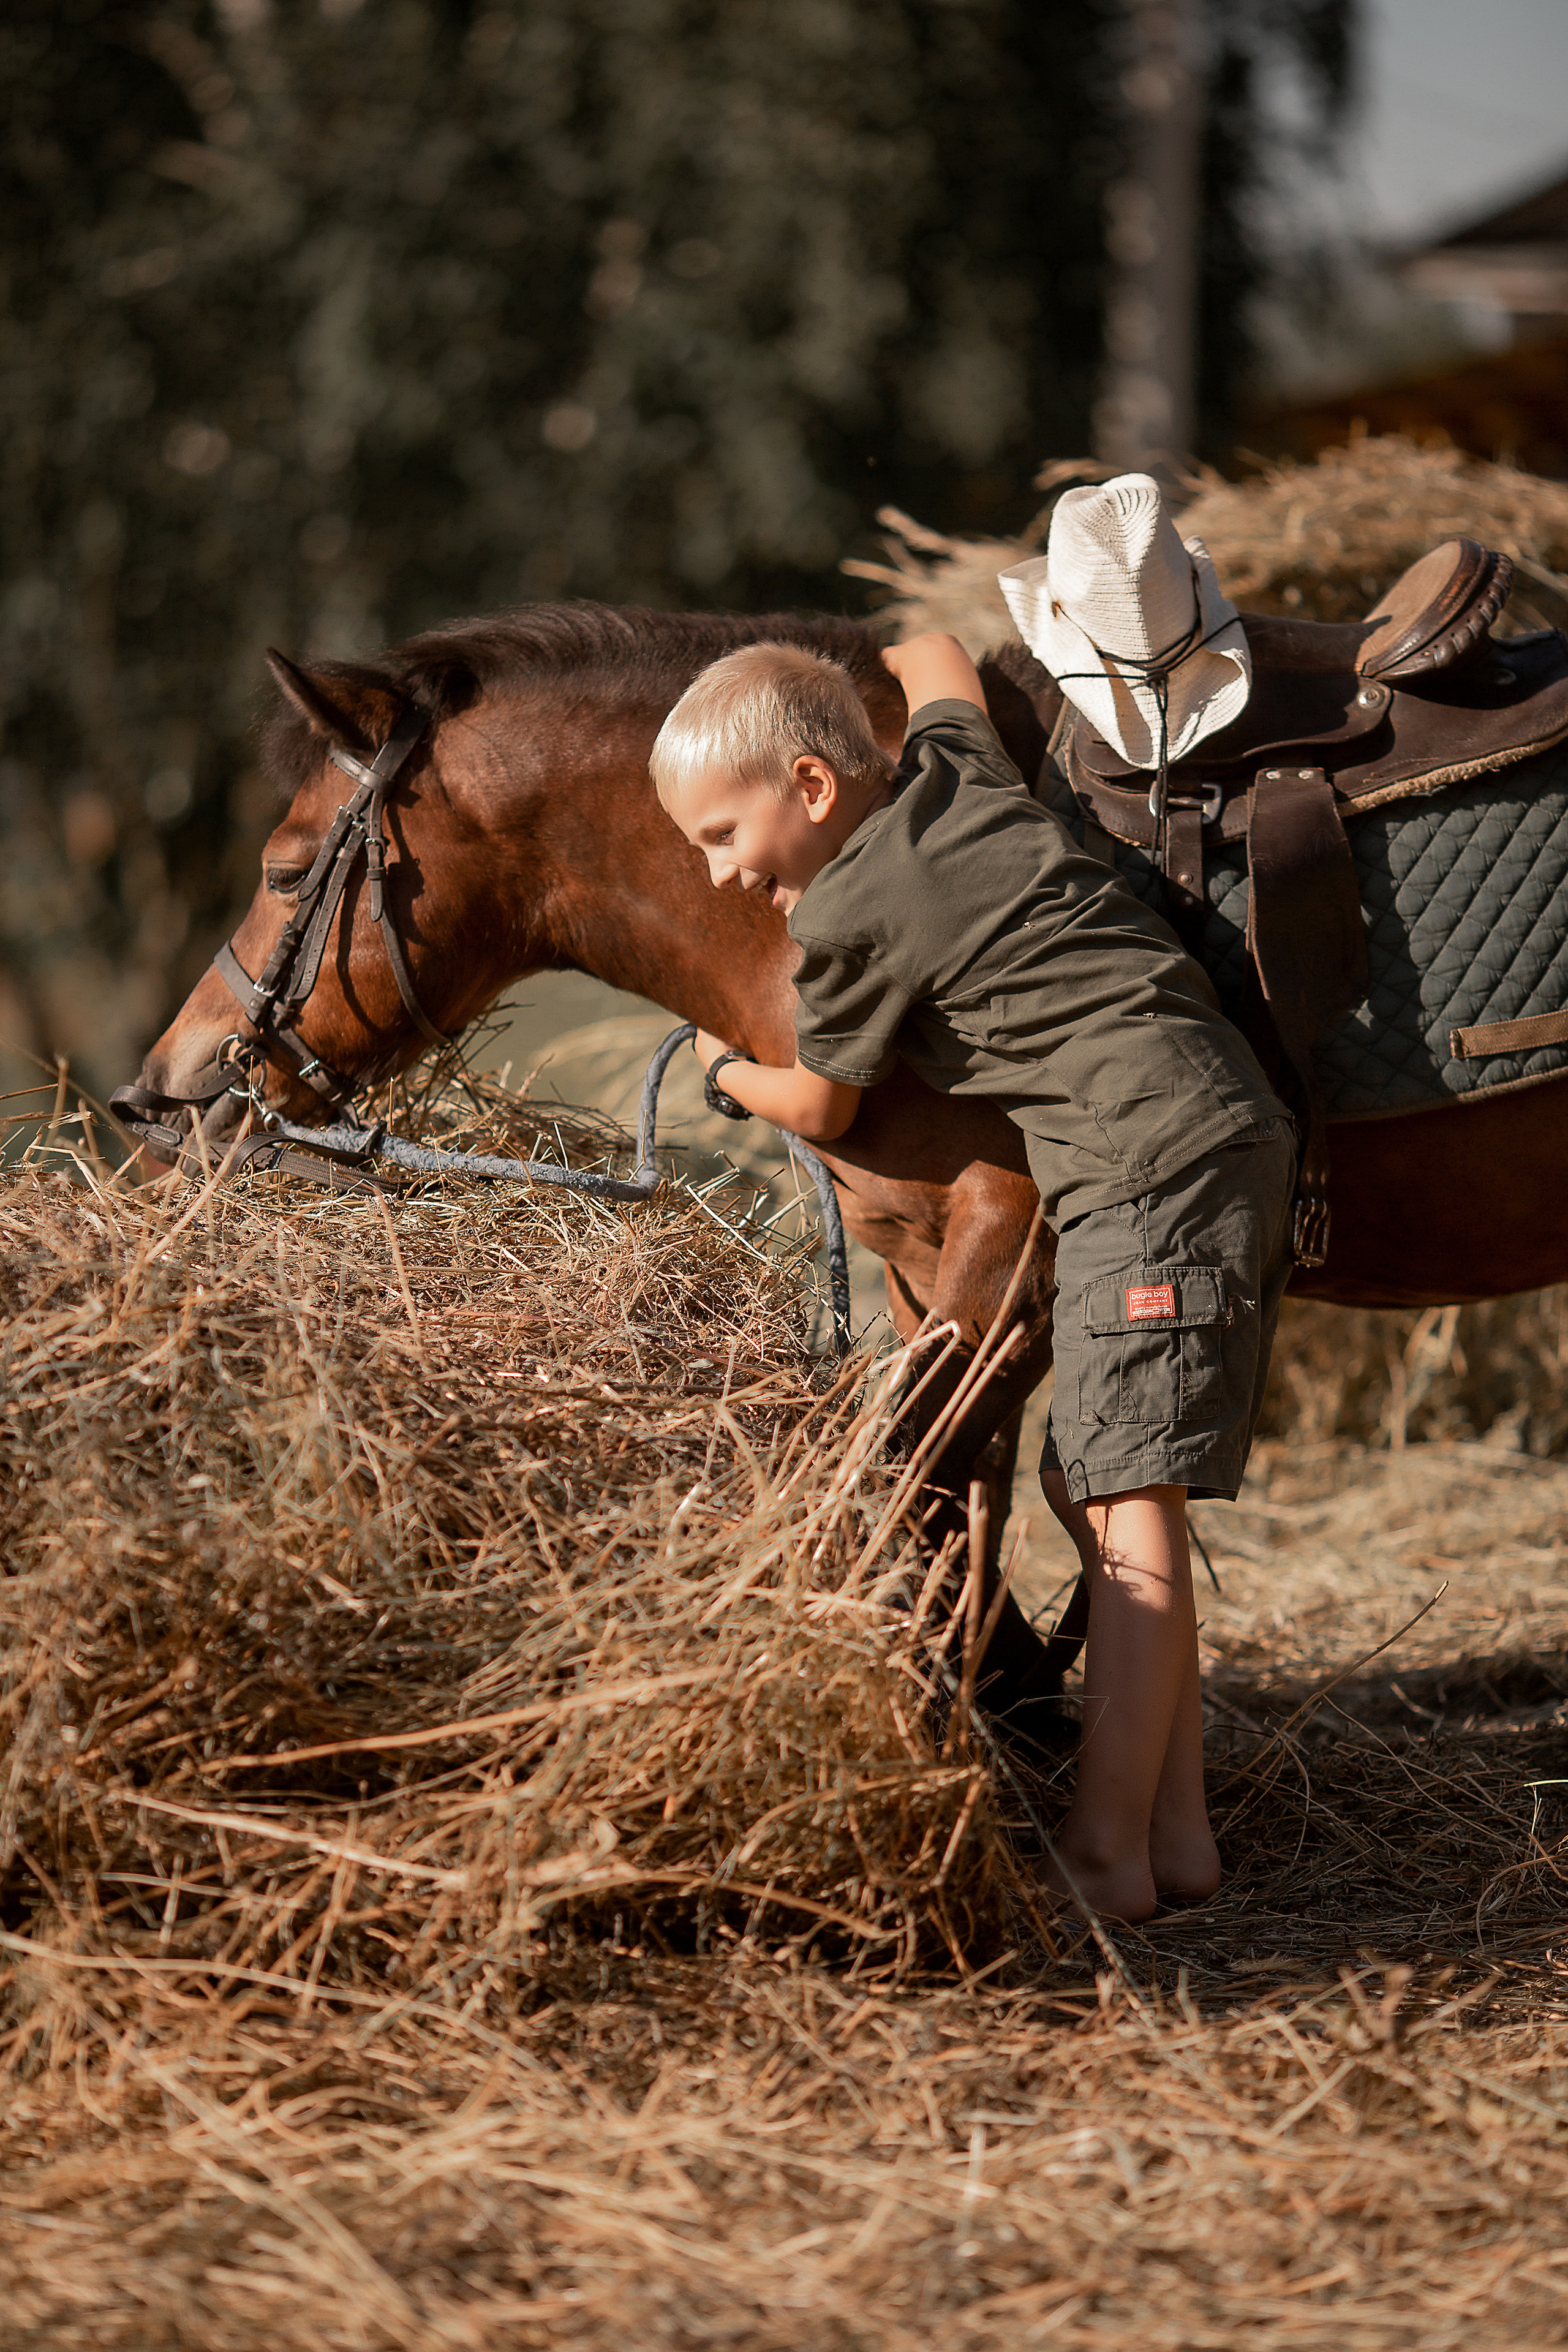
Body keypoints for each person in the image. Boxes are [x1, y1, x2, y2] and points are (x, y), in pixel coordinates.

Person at [646, 500, 1295, 1926]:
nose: (715, 874)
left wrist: (721, 1070)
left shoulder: (842, 920)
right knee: (1096, 1481)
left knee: (1124, 1504)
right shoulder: (954, 771)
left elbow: (822, 1105)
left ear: (811, 788)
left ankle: (1106, 1856)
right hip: (1197, 1131)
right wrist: (857, 658)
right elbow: (934, 649)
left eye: (720, 830)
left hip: (1147, 1161)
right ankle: (1177, 1839)